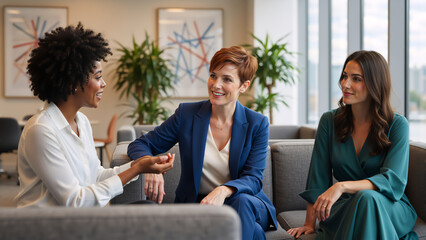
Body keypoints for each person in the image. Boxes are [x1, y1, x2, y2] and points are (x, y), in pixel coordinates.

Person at [15, 23, 174, 208]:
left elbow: (96, 176)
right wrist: (137, 169)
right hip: (49, 228)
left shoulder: (81, 122)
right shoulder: (41, 130)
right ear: (73, 83)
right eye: (98, 77)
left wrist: (140, 165)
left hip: (81, 220)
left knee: (147, 208)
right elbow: (75, 201)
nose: (104, 83)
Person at [127, 46, 277, 239]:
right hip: (200, 204)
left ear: (244, 86)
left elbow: (254, 178)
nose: (216, 85)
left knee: (242, 203)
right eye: (213, 76)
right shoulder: (187, 115)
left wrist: (223, 191)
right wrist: (148, 165)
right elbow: (139, 144)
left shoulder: (257, 123)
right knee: (254, 232)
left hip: (246, 203)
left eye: (227, 79)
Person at [287, 50, 418, 239]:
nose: (345, 84)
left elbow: (393, 181)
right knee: (364, 200)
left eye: (356, 79)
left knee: (367, 199)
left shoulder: (398, 125)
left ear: (375, 83)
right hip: (345, 207)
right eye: (344, 76)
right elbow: (318, 177)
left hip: (389, 206)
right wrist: (309, 224)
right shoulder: (329, 121)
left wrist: (341, 186)